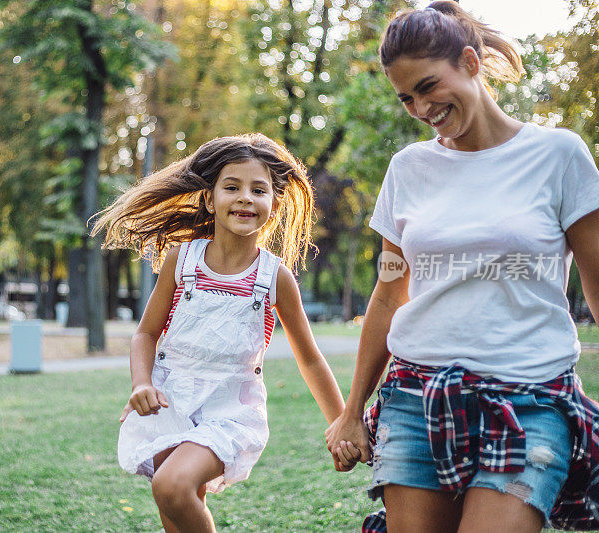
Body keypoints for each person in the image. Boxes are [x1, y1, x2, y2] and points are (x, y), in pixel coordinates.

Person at [324, 2, 599, 532]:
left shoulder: (559, 155)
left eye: (428, 87)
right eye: (406, 98)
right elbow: (388, 293)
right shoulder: (409, 169)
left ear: (471, 63)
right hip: (415, 398)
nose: (421, 107)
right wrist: (353, 409)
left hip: (529, 398)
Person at [92, 133, 347, 531]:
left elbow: (310, 358)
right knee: (175, 504)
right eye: (232, 187)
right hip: (169, 401)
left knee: (172, 485)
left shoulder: (274, 277)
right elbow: (145, 334)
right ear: (210, 199)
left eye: (258, 190)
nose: (245, 197)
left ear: (273, 205)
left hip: (231, 411)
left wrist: (341, 425)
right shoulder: (183, 260)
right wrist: (141, 384)